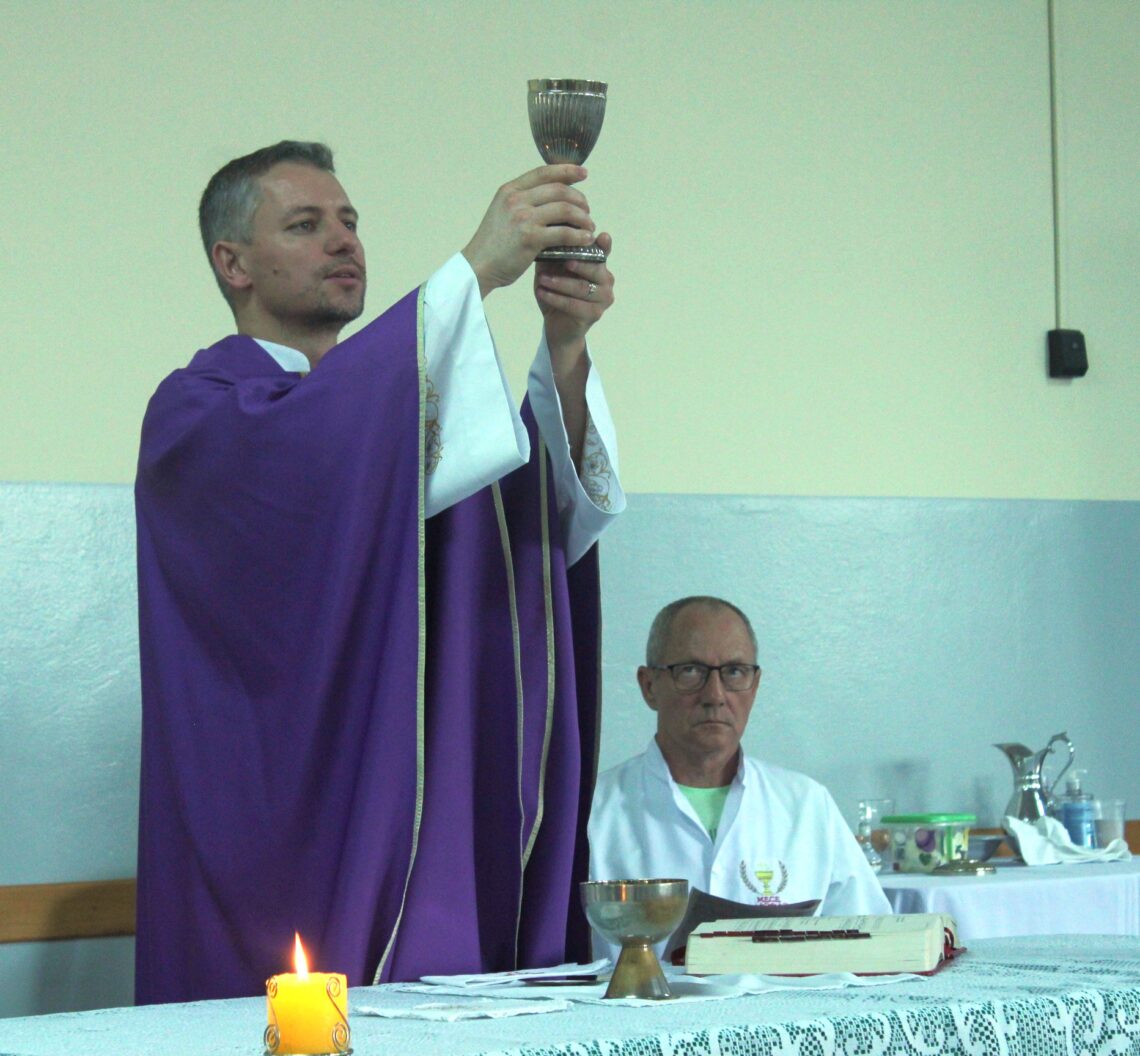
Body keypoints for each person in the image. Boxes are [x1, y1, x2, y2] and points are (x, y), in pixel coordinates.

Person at [134, 140, 624, 1004]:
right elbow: (313, 455)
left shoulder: (402, 421)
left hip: (431, 849)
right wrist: (473, 270)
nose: (344, 241)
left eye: (350, 222)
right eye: (306, 224)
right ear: (232, 262)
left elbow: (536, 526)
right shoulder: (197, 414)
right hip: (286, 847)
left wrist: (567, 349)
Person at [588, 596, 889, 957]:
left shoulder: (807, 805)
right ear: (649, 685)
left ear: (755, 684)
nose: (714, 695)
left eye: (733, 672)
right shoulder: (590, 812)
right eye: (690, 671)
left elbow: (871, 943)